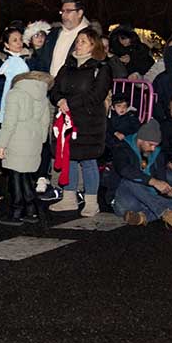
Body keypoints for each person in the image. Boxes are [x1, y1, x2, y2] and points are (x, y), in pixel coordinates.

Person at [49, 30, 112, 216]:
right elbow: (55, 88)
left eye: (83, 41)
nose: (78, 44)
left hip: (89, 121)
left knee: (88, 159)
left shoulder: (101, 68)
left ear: (93, 45)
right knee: (68, 157)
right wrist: (59, 100)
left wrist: (70, 103)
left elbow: (97, 94)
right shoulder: (67, 66)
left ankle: (91, 201)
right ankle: (69, 198)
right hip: (66, 119)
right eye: (77, 41)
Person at [110, 119, 172, 231]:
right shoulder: (122, 147)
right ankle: (163, 212)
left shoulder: (157, 153)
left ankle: (143, 218)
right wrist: (153, 182)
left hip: (150, 200)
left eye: (155, 145)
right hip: (128, 202)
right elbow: (124, 170)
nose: (153, 148)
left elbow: (161, 180)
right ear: (140, 139)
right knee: (130, 180)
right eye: (151, 145)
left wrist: (168, 192)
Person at [0, 70, 53, 226]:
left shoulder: (15, 94)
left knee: (15, 176)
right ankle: (31, 211)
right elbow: (45, 121)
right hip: (34, 139)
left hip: (16, 139)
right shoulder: (42, 95)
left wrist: (1, 144)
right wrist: (40, 140)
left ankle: (16, 212)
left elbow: (9, 122)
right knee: (27, 176)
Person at [30, 0, 88, 75]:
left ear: (79, 13)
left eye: (68, 11)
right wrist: (37, 49)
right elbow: (42, 61)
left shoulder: (89, 37)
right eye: (62, 11)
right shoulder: (53, 34)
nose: (63, 15)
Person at [0, 26, 30, 124]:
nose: (19, 43)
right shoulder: (11, 61)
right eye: (15, 40)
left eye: (20, 39)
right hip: (13, 93)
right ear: (7, 44)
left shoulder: (25, 58)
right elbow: (1, 71)